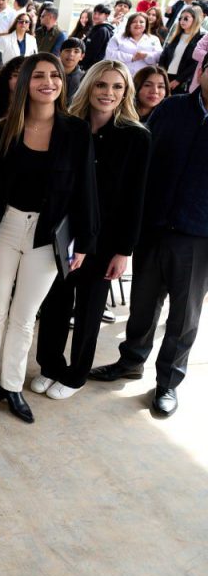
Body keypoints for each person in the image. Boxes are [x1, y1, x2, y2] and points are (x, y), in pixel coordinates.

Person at [0, 54, 98, 424]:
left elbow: (86, 190)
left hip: (48, 235)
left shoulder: (76, 132)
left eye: (55, 75)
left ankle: (11, 386)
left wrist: (85, 242)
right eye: (39, 75)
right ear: (25, 82)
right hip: (3, 228)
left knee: (25, 316)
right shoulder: (1, 129)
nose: (48, 82)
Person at [88, 57, 208, 417]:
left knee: (183, 315)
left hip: (197, 235)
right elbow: (142, 162)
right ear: (201, 72)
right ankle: (131, 361)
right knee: (141, 303)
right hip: (153, 226)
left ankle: (168, 382)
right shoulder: (172, 109)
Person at [32, 61, 150, 400]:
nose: (108, 93)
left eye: (117, 87)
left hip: (107, 240)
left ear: (125, 93)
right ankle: (49, 365)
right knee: (55, 304)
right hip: (66, 234)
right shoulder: (69, 127)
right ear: (89, 87)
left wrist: (124, 251)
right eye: (101, 85)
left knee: (89, 310)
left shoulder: (137, 137)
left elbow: (136, 199)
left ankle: (76, 375)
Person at [159, 8, 204, 92]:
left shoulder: (200, 38)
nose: (182, 21)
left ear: (194, 20)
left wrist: (178, 80)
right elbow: (164, 55)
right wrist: (162, 74)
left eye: (186, 18)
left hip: (183, 81)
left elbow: (195, 63)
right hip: (166, 76)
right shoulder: (176, 36)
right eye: (180, 18)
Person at [81, 4, 116, 70]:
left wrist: (84, 65)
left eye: (99, 14)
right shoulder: (96, 28)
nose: (96, 16)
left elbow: (94, 52)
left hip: (91, 67)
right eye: (94, 13)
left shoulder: (102, 30)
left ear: (106, 15)